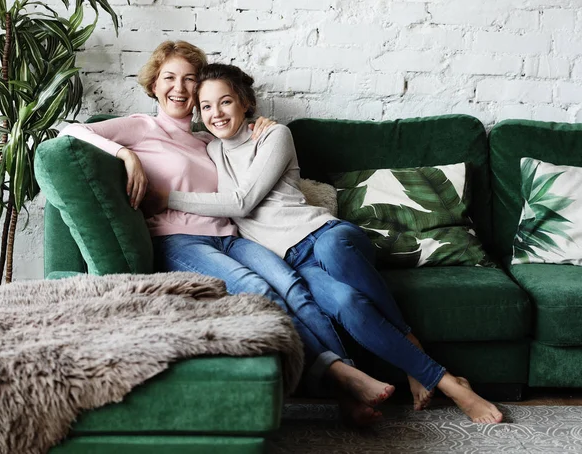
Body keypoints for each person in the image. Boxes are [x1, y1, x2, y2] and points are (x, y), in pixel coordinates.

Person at [58, 40, 397, 426]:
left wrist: (260, 127)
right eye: (169, 78)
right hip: (178, 241)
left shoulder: (210, 141)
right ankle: (342, 378)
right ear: (153, 85)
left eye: (189, 80)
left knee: (292, 285)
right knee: (259, 289)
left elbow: (245, 174)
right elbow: (68, 130)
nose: (179, 88)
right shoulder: (141, 127)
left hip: (231, 237)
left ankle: (348, 388)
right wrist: (125, 154)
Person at [163, 63, 504, 424]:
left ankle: (444, 379)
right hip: (294, 263)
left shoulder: (274, 135)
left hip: (326, 236)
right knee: (348, 303)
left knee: (331, 249)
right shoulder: (210, 151)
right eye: (206, 106)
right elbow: (172, 144)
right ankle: (439, 376)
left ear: (245, 102)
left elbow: (242, 201)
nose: (216, 113)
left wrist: (165, 197)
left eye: (226, 101)